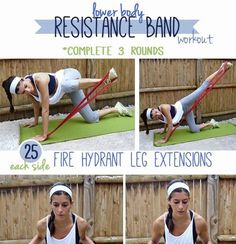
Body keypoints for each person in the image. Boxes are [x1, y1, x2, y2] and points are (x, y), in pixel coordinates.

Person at [2, 67, 132, 141]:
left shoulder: (39, 80)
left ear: (24, 79)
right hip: (68, 89)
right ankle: (115, 109)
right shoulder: (27, 90)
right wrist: (35, 121)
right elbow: (36, 105)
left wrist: (44, 135)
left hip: (69, 75)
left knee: (65, 84)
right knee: (91, 118)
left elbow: (45, 110)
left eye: (25, 86)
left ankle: (105, 80)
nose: (27, 90)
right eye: (23, 92)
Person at [140, 62, 232, 142]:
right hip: (185, 110)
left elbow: (170, 124)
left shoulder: (163, 108)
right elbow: (166, 121)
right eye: (153, 116)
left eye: (154, 111)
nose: (156, 114)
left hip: (183, 104)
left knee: (203, 87)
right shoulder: (159, 116)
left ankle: (221, 68)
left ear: (154, 109)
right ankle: (211, 123)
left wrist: (165, 139)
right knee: (194, 129)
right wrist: (164, 131)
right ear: (153, 118)